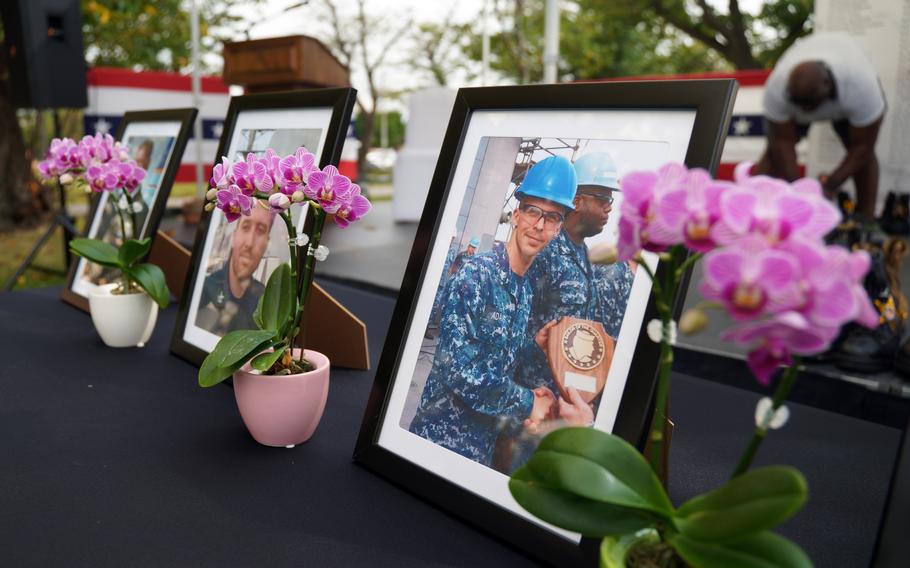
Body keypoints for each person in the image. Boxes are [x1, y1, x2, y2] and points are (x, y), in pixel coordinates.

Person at [409, 156, 578, 467]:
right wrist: (529, 403)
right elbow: (459, 371)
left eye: (552, 218)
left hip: (480, 448)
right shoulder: (476, 275)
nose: (539, 225)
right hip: (439, 443)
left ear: (558, 229)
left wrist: (532, 348)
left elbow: (499, 361)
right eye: (532, 211)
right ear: (515, 215)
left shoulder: (524, 289)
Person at [501, 152, 634, 471]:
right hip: (531, 404)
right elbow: (510, 326)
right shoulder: (545, 249)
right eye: (602, 198)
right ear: (575, 199)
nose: (609, 207)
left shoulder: (581, 254)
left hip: (564, 406)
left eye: (610, 199)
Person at [756, 32, 886, 232]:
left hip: (847, 100)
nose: (806, 111)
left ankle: (866, 222)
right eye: (800, 104)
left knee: (863, 157)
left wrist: (830, 185)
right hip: (805, 98)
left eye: (810, 104)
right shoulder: (777, 87)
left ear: (826, 86)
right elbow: (782, 143)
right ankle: (760, 212)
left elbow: (863, 148)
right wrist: (799, 190)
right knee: (773, 155)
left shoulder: (861, 86)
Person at [196, 205, 274, 335]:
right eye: (245, 227)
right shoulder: (204, 289)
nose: (249, 243)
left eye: (260, 230)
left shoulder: (267, 301)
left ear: (266, 244)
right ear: (233, 237)